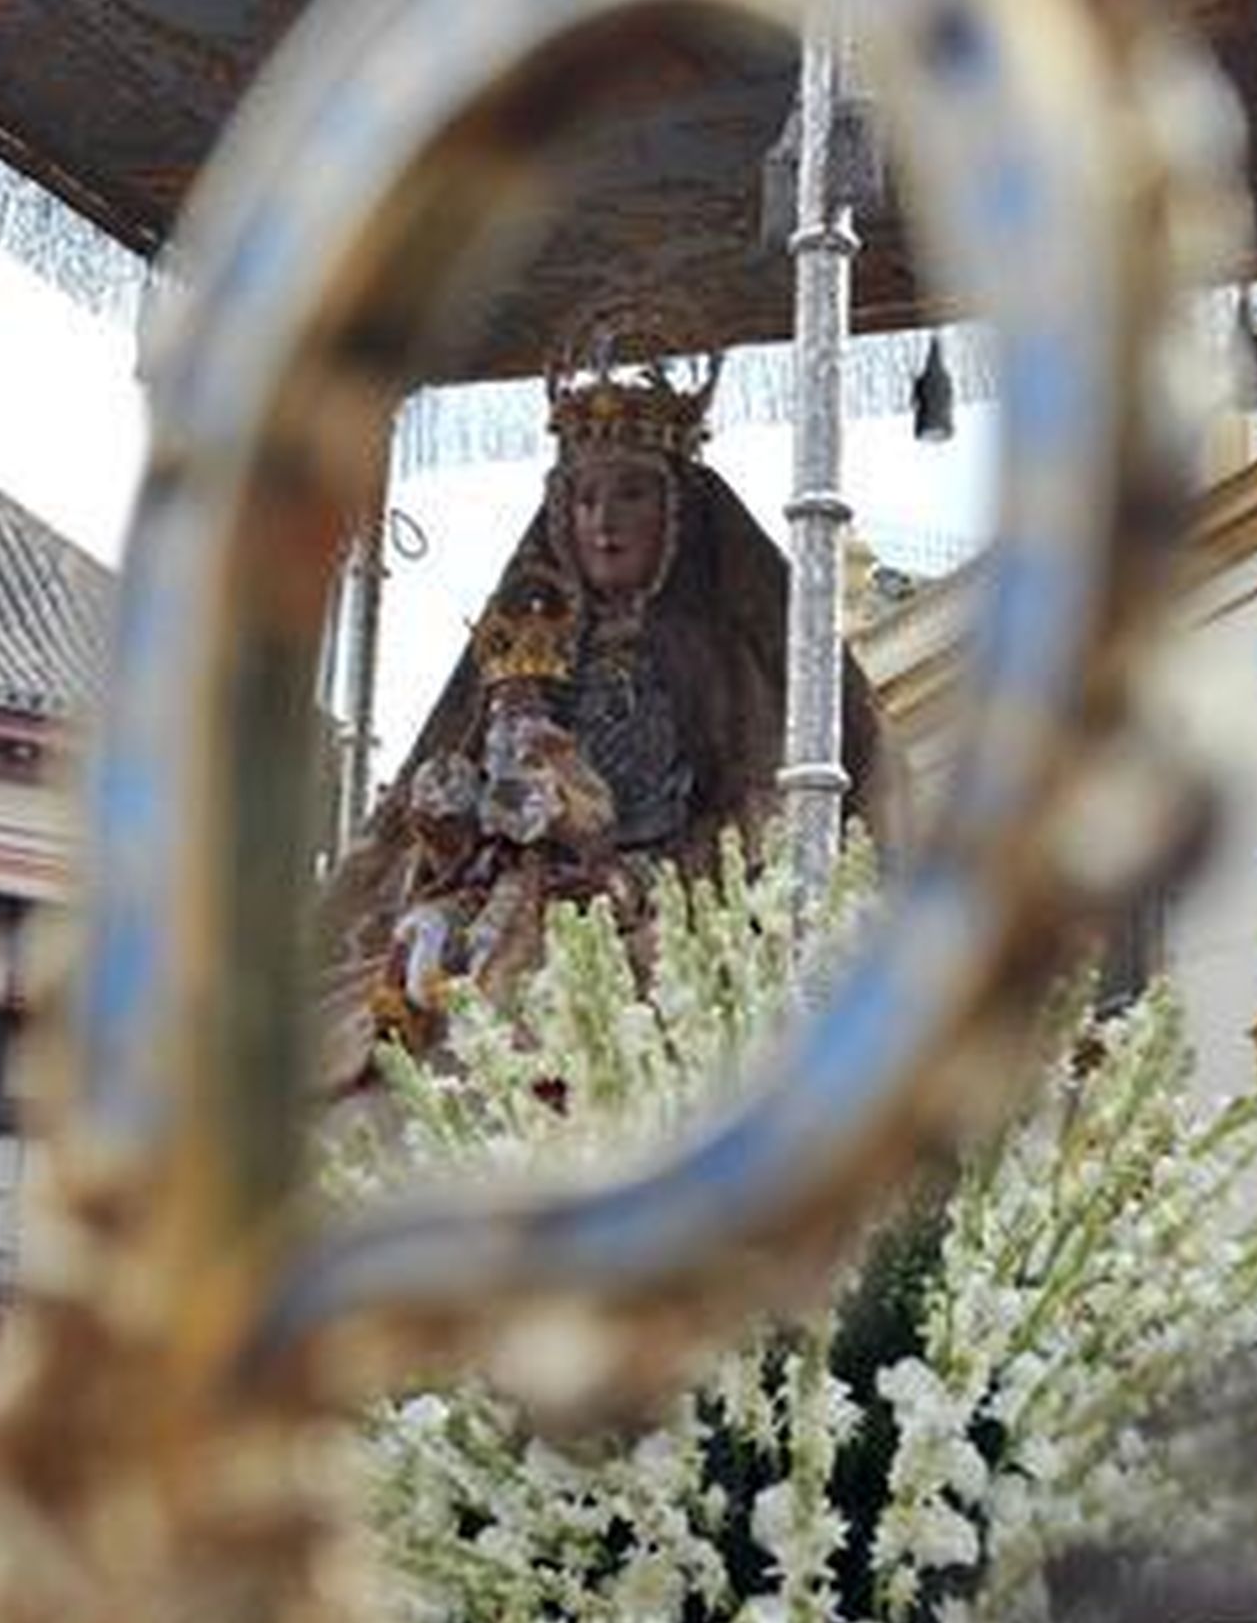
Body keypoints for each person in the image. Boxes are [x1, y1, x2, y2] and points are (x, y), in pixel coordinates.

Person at [318, 297, 881, 1091]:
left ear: (676, 510)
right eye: (585, 499)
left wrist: (646, 873)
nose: (604, 523)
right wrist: (454, 830)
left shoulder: (722, 655)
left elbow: (767, 809)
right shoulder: (526, 648)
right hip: (511, 895)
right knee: (396, 974)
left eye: (630, 496)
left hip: (657, 901)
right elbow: (458, 799)